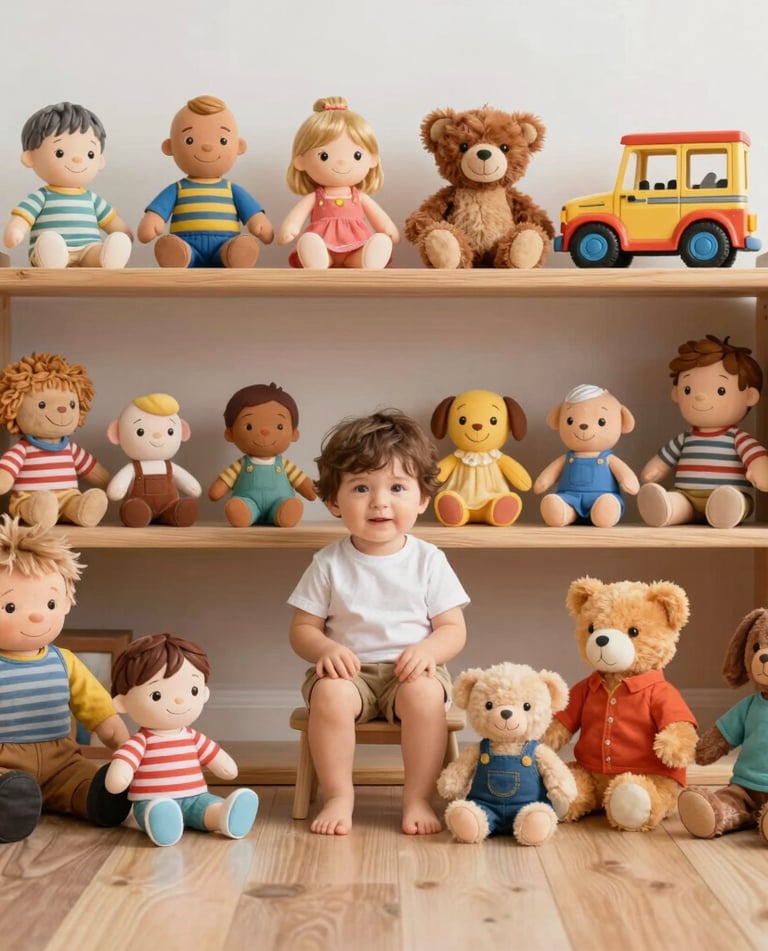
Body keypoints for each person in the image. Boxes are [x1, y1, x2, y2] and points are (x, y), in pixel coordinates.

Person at [288, 410, 469, 836]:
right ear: (334, 501)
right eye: (361, 487)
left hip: (414, 670)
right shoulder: (329, 562)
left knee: (426, 697)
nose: (380, 501)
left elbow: (453, 629)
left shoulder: (428, 560)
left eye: (398, 487)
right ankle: (338, 794)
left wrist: (428, 651)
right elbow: (302, 629)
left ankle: (418, 797)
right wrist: (326, 650)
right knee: (330, 697)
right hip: (350, 673)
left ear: (422, 499)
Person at [0, 514, 130, 842]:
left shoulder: (64, 662)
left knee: (86, 778)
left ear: (67, 601)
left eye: (50, 602)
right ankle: (9, 808)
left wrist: (123, 744)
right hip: (4, 763)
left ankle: (99, 800)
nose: (35, 614)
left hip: (63, 761)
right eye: (10, 606)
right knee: (5, 787)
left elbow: (97, 707)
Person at [106, 633, 259, 847]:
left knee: (209, 807)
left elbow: (221, 763)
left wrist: (226, 767)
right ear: (122, 703)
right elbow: (123, 767)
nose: (180, 699)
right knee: (154, 810)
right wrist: (119, 777)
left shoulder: (192, 737)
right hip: (152, 799)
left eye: (193, 690)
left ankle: (224, 816)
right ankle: (162, 820)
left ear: (204, 693)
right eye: (156, 695)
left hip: (195, 796)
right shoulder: (141, 741)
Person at [637, 334, 768, 529]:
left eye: (721, 391)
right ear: (676, 393)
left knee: (732, 500)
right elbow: (659, 465)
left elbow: (756, 459)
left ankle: (726, 509)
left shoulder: (737, 439)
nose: (699, 397)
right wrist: (651, 474)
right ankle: (668, 508)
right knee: (677, 501)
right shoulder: (685, 439)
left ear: (749, 396)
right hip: (686, 496)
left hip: (728, 493)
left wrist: (762, 472)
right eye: (688, 390)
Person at [137, 95, 273, 268]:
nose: (207, 147)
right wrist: (153, 221)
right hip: (186, 243)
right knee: (179, 250)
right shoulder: (178, 189)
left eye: (223, 140)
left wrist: (258, 222)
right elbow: (157, 213)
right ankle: (179, 255)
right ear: (169, 147)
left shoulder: (231, 189)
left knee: (233, 249)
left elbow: (253, 213)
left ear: (239, 146)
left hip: (225, 244)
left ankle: (235, 253)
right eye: (190, 140)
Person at [3, 101, 133, 268]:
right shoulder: (42, 196)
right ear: (30, 158)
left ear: (100, 160)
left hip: (88, 249)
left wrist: (123, 233)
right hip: (51, 248)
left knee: (98, 251)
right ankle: (52, 256)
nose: (78, 159)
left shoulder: (92, 199)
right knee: (49, 242)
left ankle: (107, 257)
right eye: (60, 153)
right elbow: (23, 217)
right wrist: (16, 230)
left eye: (90, 153)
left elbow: (112, 221)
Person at [277, 96, 399, 269]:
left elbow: (381, 220)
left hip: (357, 243)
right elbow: (295, 219)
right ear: (301, 162)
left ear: (372, 160)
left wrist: (388, 230)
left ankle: (368, 257)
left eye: (357, 155)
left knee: (371, 247)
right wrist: (291, 228)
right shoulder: (316, 197)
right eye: (324, 156)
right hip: (323, 243)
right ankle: (318, 258)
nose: (341, 163)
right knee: (313, 244)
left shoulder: (359, 197)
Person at [106, 393, 202, 527]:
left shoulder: (170, 466)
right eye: (140, 431)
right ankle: (136, 513)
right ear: (116, 433)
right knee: (134, 508)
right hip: (140, 504)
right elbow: (115, 491)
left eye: (170, 431)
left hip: (169, 505)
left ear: (183, 432)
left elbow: (193, 488)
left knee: (175, 510)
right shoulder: (134, 468)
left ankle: (176, 512)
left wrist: (193, 488)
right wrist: (117, 491)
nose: (157, 436)